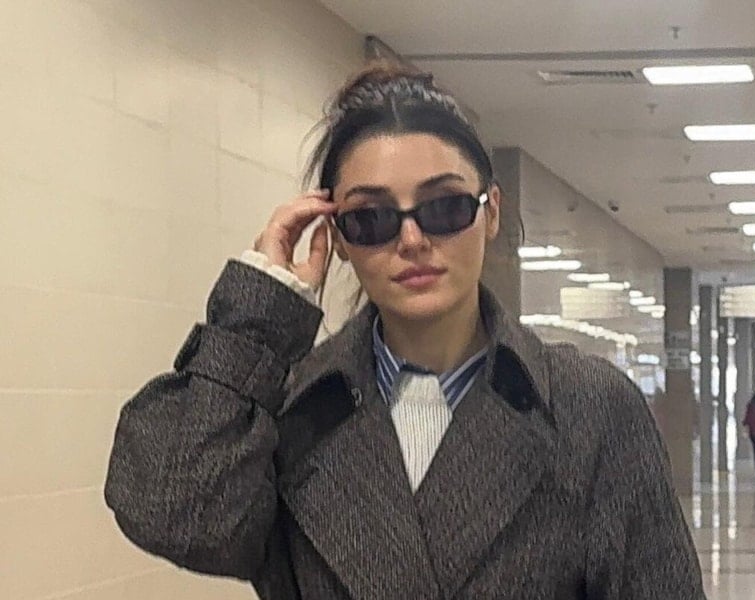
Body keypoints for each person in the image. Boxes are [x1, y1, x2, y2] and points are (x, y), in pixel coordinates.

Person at [104, 63, 705, 599]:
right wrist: (257, 319)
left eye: (444, 207)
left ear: (490, 213)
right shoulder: (292, 405)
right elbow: (177, 516)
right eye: (372, 218)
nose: (412, 240)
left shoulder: (587, 405)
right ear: (337, 237)